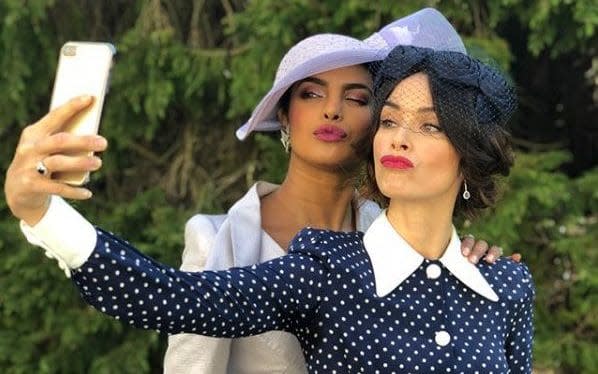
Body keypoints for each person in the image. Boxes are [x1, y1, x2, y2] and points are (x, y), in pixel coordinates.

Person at [4, 10, 519, 374]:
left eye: (358, 99)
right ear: (283, 117)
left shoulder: (505, 283)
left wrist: (467, 264)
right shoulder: (321, 266)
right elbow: (168, 299)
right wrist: (42, 213)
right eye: (311, 93)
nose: (332, 111)